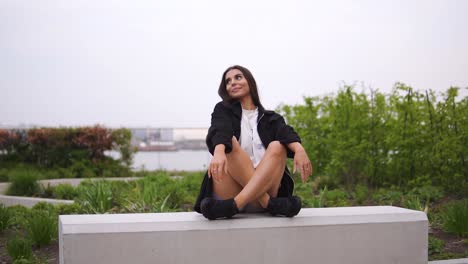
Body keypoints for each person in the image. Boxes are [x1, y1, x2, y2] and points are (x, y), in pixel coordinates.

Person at [193, 65, 312, 220]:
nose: (232, 83)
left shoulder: (271, 118)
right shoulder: (223, 110)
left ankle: (235, 205)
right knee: (229, 141)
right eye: (228, 81)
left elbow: (285, 132)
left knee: (277, 146)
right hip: (230, 191)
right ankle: (269, 203)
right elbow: (220, 129)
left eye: (238, 77)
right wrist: (219, 151)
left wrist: (299, 149)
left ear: (249, 81)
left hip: (262, 187)